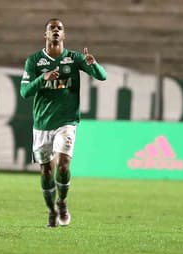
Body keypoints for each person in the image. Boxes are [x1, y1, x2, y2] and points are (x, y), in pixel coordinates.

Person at [20, 18, 107, 227]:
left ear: (64, 35)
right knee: (46, 171)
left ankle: (62, 201)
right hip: (42, 124)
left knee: (63, 163)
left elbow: (102, 76)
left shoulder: (74, 58)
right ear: (46, 35)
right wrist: (43, 78)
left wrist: (93, 64)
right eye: (52, 28)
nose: (56, 31)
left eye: (60, 28)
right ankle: (51, 211)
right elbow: (24, 92)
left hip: (66, 122)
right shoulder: (33, 61)